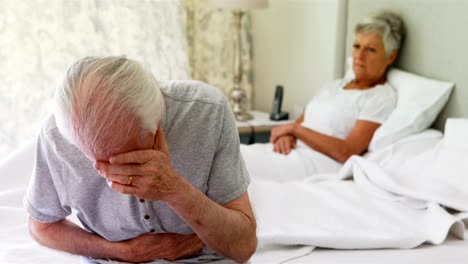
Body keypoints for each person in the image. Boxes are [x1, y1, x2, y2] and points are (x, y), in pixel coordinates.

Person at [24, 57, 257, 263]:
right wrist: (122, 252)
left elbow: (244, 247)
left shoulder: (207, 112)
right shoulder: (55, 137)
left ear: (156, 126)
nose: (113, 178)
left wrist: (174, 189)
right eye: (96, 162)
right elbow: (41, 227)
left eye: (130, 161)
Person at [241, 10, 405, 182]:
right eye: (357, 46)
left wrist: (294, 130)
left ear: (390, 56)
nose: (359, 56)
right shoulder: (334, 86)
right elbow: (302, 122)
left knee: (232, 173)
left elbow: (346, 151)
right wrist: (287, 136)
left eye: (370, 49)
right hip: (290, 150)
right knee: (226, 156)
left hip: (318, 161)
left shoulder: (381, 97)